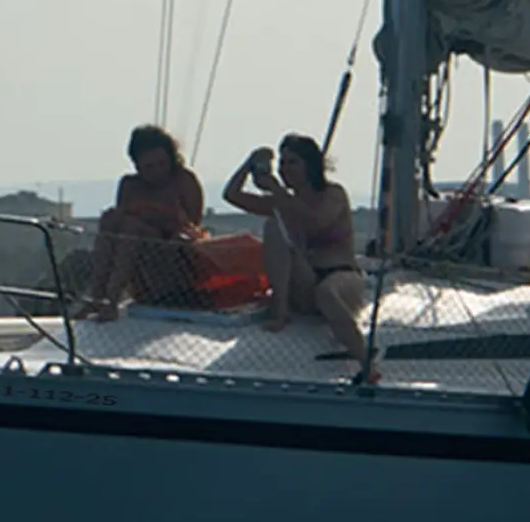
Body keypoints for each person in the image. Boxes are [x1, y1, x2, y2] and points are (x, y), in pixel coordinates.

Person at [223, 133, 374, 383]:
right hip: (305, 280)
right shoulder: (281, 202)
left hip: (340, 274)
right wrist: (250, 165)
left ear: (310, 165)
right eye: (282, 163)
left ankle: (366, 363)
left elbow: (316, 221)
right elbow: (232, 195)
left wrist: (275, 189)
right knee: (273, 226)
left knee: (327, 293)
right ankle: (280, 309)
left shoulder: (333, 194)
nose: (285, 169)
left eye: (292, 162)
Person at [79, 125, 208, 321]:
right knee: (113, 221)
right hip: (137, 252)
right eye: (149, 167)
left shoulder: (183, 180)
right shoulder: (130, 185)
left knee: (131, 228)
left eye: (162, 164)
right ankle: (97, 293)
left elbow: (193, 225)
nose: (157, 172)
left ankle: (111, 299)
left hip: (173, 250)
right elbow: (119, 224)